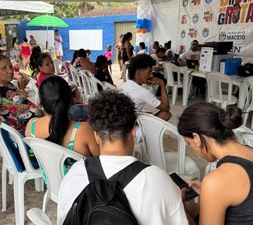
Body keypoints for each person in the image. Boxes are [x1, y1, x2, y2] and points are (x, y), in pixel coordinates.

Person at [57, 91, 189, 225]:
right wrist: (178, 201)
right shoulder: (157, 179)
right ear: (133, 131)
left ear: (96, 135)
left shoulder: (74, 174)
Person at [178, 102, 253, 225]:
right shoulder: (248, 150)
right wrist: (208, 193)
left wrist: (179, 207)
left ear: (196, 138)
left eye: (188, 143)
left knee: (186, 208)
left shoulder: (217, 180)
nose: (191, 148)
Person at [25, 75, 99, 158]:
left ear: (41, 101)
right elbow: (103, 161)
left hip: (47, 171)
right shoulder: (84, 130)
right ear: (70, 99)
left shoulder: (31, 126)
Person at [0, 55, 42, 132]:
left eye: (10, 67)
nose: (10, 71)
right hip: (29, 132)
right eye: (4, 68)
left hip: (37, 122)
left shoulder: (9, 85)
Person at [119, 54, 171, 121]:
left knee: (147, 113)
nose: (151, 75)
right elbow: (166, 107)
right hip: (128, 126)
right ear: (140, 71)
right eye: (149, 71)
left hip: (120, 121)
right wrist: (162, 84)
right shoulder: (143, 92)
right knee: (166, 114)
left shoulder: (123, 85)